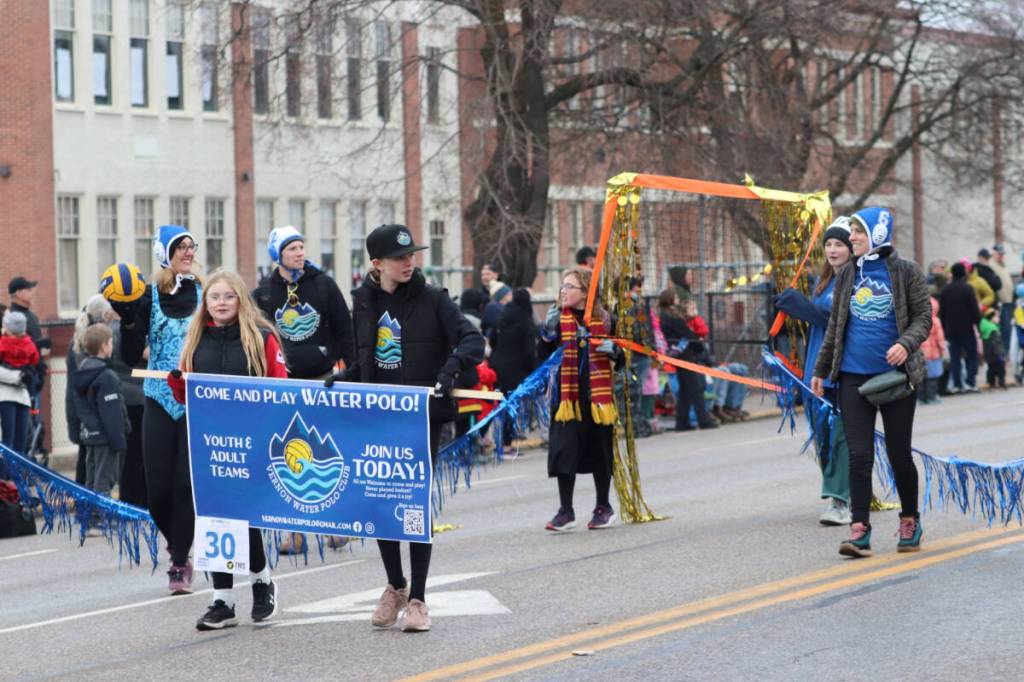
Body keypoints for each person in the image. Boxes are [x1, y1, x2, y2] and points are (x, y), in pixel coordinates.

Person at [329, 223, 484, 633]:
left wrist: (450, 371)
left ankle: (418, 598)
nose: (409, 262)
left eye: (412, 255)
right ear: (377, 264)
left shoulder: (434, 299)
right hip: (377, 416)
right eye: (400, 257)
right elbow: (367, 361)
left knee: (412, 503)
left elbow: (472, 341)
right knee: (380, 503)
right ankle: (394, 586)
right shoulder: (363, 303)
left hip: (419, 416)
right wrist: (342, 380)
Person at [168, 269, 285, 630]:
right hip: (208, 443)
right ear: (206, 303)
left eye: (228, 296)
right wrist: (177, 383)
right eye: (214, 297)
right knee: (214, 518)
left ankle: (261, 581)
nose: (221, 303)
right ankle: (223, 599)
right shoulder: (195, 339)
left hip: (250, 440)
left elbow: (279, 388)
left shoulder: (262, 337)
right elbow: (187, 395)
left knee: (242, 515)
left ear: (240, 300)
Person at [813, 207, 932, 558]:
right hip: (852, 377)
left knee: (898, 455)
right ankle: (859, 529)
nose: (851, 239)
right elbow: (836, 325)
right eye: (851, 233)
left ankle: (910, 520)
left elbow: (924, 316)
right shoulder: (848, 273)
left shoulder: (906, 271)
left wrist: (904, 344)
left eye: (858, 232)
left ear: (877, 234)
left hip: (896, 378)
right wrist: (821, 371)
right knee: (859, 456)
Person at [111, 224, 202, 594]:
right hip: (159, 395)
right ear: (165, 252)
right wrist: (129, 320)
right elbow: (131, 355)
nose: (189, 252)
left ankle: (179, 561)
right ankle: (176, 539)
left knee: (184, 485)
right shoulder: (148, 296)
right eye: (181, 247)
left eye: (191, 246)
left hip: (195, 398)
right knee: (157, 491)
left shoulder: (205, 292)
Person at [774, 216, 854, 525]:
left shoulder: (855, 279)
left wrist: (806, 310)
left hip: (842, 367)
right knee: (822, 434)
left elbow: (844, 324)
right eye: (829, 244)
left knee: (839, 435)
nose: (833, 250)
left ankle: (841, 501)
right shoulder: (824, 281)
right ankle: (847, 493)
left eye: (840, 244)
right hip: (816, 369)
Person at [540, 268, 619, 532]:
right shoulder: (557, 319)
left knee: (600, 452)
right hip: (566, 397)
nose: (563, 290)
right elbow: (541, 355)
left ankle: (603, 506)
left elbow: (623, 358)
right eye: (562, 285)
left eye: (570, 286)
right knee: (563, 451)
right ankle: (566, 510)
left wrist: (615, 351)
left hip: (597, 399)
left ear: (585, 292)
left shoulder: (604, 320)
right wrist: (546, 333)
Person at [253, 226, 354, 380]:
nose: (300, 253)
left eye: (301, 247)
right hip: (281, 380)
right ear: (277, 254)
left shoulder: (324, 284)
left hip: (323, 377)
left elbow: (345, 331)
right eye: (292, 249)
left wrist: (352, 374)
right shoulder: (264, 292)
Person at [70, 324, 127, 497]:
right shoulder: (106, 377)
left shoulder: (83, 371)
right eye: (110, 342)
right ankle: (101, 518)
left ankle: (89, 515)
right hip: (105, 436)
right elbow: (111, 414)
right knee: (105, 479)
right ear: (103, 346)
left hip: (90, 434)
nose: (112, 346)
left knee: (91, 476)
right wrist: (119, 440)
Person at [657, 289, 717, 431]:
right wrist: (699, 345)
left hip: (681, 354)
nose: (677, 298)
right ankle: (704, 419)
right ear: (670, 299)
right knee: (695, 388)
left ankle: (682, 422)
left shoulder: (668, 315)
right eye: (675, 296)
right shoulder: (670, 317)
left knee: (685, 390)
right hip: (683, 354)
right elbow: (687, 333)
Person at [939, 262, 981, 394]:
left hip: (951, 330)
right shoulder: (968, 289)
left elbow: (942, 313)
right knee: (971, 356)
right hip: (967, 328)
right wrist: (978, 323)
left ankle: (957, 385)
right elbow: (975, 310)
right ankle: (970, 382)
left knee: (955, 358)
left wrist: (944, 329)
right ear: (963, 273)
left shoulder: (945, 291)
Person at [0, 311, 38, 457]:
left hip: (22, 396)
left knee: (19, 443)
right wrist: (21, 376)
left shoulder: (6, 341)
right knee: (8, 442)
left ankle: (14, 477)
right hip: (6, 396)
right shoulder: (28, 343)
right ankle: (5, 476)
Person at [988, 245, 1016, 355]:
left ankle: (1006, 353)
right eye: (999, 254)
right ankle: (1004, 354)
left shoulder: (1002, 265)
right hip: (1002, 302)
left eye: (1002, 254)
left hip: (1009, 301)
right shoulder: (992, 265)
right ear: (994, 254)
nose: (1001, 256)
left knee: (1008, 328)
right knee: (1005, 329)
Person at [918, 296, 946, 405]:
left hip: (920, 353)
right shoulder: (935, 321)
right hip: (933, 354)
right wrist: (942, 349)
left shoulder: (918, 320)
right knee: (932, 377)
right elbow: (940, 338)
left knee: (921, 378)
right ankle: (931, 397)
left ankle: (921, 398)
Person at [980, 309, 1006, 389]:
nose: (998, 318)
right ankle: (1001, 383)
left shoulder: (987, 327)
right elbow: (996, 343)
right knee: (1001, 368)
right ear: (991, 318)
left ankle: (991, 383)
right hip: (996, 354)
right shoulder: (993, 330)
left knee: (991, 368)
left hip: (989, 354)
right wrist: (1001, 353)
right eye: (996, 317)